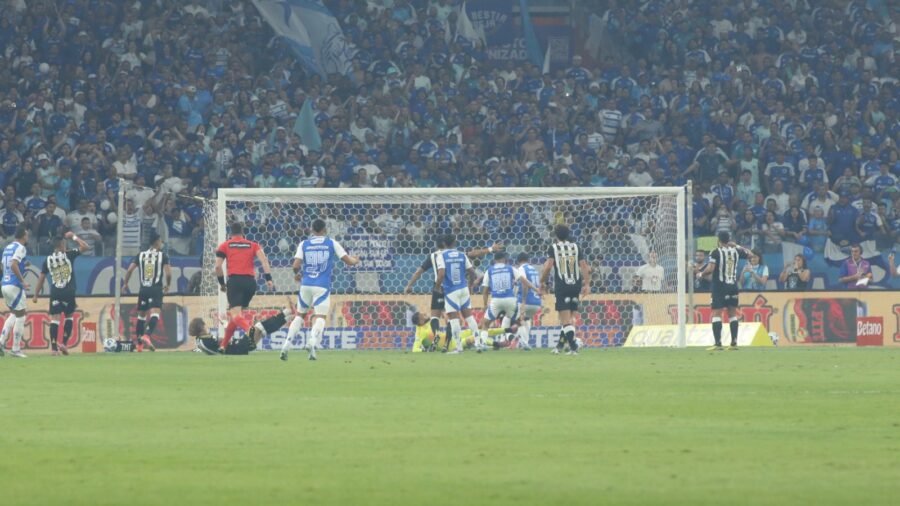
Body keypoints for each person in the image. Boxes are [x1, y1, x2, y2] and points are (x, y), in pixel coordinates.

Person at [280, 219, 359, 361]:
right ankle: (311, 342)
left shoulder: (304, 244)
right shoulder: (331, 243)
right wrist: (356, 260)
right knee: (321, 317)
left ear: (312, 229)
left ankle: (286, 345)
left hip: (306, 284)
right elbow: (348, 261)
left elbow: (295, 265)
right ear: (325, 229)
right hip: (322, 285)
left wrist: (297, 274)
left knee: (300, 315)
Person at [404, 239, 502, 352]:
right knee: (455, 318)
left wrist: (409, 285)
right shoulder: (458, 254)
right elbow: (474, 254)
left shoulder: (434, 256)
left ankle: (438, 336)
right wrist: (490, 249)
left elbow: (419, 271)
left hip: (440, 288)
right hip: (457, 287)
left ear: (437, 245)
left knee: (435, 317)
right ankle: (449, 344)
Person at [215, 222, 274, 352]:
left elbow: (218, 267)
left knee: (235, 314)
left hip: (235, 282)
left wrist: (222, 284)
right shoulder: (253, 245)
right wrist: (268, 279)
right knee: (236, 315)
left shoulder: (225, 245)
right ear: (242, 232)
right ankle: (223, 345)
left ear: (230, 233)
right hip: (250, 283)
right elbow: (264, 261)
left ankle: (250, 331)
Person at [32, 232, 89, 355]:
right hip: (69, 291)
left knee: (55, 319)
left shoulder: (47, 260)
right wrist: (73, 236)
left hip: (56, 292)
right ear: (62, 244)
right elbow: (85, 247)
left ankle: (54, 349)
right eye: (65, 243)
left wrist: (36, 295)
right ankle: (63, 344)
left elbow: (41, 278)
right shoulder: (69, 255)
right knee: (69, 316)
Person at [541, 224, 591, 355]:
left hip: (562, 286)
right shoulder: (576, 247)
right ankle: (559, 346)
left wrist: (542, 281)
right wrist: (587, 284)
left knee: (564, 320)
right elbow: (584, 266)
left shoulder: (553, 248)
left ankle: (574, 347)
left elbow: (548, 266)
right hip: (575, 286)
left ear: (556, 235)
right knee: (569, 319)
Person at [699, 231, 751, 350]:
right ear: (729, 240)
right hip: (733, 286)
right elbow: (751, 254)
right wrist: (737, 245)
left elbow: (710, 268)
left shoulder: (715, 252)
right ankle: (734, 343)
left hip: (719, 287)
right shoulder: (736, 251)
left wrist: (701, 274)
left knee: (716, 314)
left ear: (719, 240)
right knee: (732, 314)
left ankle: (718, 343)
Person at [479, 251, 539, 351]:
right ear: (504, 259)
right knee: (520, 321)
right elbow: (523, 280)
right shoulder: (510, 268)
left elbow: (485, 290)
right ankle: (524, 343)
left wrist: (485, 304)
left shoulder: (489, 270)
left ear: (495, 260)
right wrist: (536, 289)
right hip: (510, 299)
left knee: (485, 324)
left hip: (496, 300)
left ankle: (483, 344)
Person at [433, 234, 482, 354]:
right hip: (463, 289)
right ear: (454, 243)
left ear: (443, 243)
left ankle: (459, 348)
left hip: (451, 291)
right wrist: (470, 285)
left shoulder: (441, 256)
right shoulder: (462, 254)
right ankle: (478, 343)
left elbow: (441, 274)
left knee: (453, 319)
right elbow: (472, 272)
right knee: (469, 317)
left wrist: (437, 287)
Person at [122, 233, 171, 352]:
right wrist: (168, 285)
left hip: (143, 290)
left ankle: (139, 345)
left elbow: (129, 270)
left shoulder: (141, 255)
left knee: (141, 316)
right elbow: (168, 273)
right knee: (155, 314)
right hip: (155, 289)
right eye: (160, 241)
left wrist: (126, 283)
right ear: (157, 242)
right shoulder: (163, 256)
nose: (162, 243)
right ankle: (147, 335)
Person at [0, 226, 30, 358]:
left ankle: (1, 342)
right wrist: (22, 281)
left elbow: (3, 265)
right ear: (23, 235)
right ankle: (16, 349)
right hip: (14, 285)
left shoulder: (8, 247)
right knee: (21, 316)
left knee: (14, 313)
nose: (27, 237)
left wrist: (23, 265)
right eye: (27, 235)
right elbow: (13, 264)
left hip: (4, 284)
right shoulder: (21, 247)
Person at [513, 253, 542, 350]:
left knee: (519, 320)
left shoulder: (521, 269)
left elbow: (524, 283)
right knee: (526, 320)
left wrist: (523, 300)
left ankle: (524, 343)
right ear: (528, 260)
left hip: (527, 300)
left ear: (518, 261)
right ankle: (524, 342)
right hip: (536, 301)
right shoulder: (534, 269)